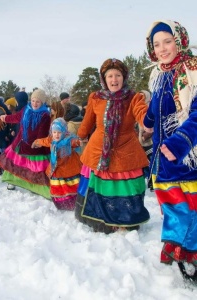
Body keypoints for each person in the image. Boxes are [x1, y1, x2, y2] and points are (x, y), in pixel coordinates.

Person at [143, 20, 197, 280]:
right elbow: (156, 107)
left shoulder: (192, 71)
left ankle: (190, 253)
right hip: (163, 157)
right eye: (157, 44)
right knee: (173, 206)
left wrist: (180, 142)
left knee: (190, 208)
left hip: (188, 155)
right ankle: (177, 246)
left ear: (179, 40)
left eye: (167, 41)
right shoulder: (159, 74)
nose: (162, 48)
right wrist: (147, 124)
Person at [75, 58, 150, 234]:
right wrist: (80, 135)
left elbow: (141, 112)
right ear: (104, 78)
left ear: (123, 78)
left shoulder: (133, 97)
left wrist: (148, 121)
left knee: (124, 186)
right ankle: (99, 220)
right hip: (97, 151)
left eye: (117, 75)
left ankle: (124, 221)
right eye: (110, 76)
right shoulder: (96, 98)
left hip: (125, 150)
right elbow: (87, 123)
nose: (114, 79)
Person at [0, 89, 51, 198]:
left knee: (36, 169)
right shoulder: (25, 109)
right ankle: (11, 182)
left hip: (35, 146)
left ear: (42, 103)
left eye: (38, 101)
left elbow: (43, 131)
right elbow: (16, 118)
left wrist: (38, 142)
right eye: (33, 100)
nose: (35, 104)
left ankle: (37, 188)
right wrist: (6, 118)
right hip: (20, 142)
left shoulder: (45, 115)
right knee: (15, 163)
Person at [32, 118, 82, 210]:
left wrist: (79, 142)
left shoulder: (68, 140)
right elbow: (45, 141)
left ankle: (74, 202)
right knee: (59, 186)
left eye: (59, 132)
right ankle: (62, 203)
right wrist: (37, 141)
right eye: (54, 132)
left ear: (64, 132)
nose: (57, 135)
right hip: (57, 167)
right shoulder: (52, 140)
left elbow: (75, 142)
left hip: (69, 168)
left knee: (71, 185)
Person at [137, 90, 153, 191]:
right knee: (142, 164)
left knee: (152, 162)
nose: (141, 99)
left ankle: (152, 182)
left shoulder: (150, 109)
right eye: (139, 97)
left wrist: (145, 136)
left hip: (150, 142)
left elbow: (153, 124)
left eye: (143, 97)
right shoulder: (137, 109)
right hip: (139, 142)